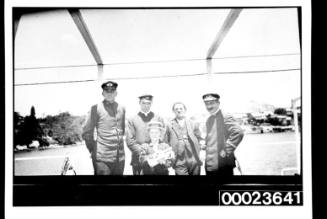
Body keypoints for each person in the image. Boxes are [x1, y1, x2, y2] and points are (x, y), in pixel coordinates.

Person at [82, 81, 126, 175]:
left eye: (112, 91)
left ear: (116, 93)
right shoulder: (95, 108)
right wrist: (93, 150)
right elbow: (87, 133)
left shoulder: (122, 108)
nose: (109, 93)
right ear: (103, 93)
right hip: (102, 160)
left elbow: (122, 130)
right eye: (107, 91)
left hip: (120, 158)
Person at [202, 93, 244, 176]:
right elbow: (211, 138)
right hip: (210, 163)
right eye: (206, 104)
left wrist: (226, 149)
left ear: (218, 103)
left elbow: (238, 132)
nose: (209, 106)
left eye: (211, 103)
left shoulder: (225, 116)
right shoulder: (209, 119)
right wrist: (205, 144)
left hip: (223, 162)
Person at [126, 94, 166, 175]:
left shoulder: (158, 118)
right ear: (139, 103)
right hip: (138, 158)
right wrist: (143, 152)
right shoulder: (132, 119)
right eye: (143, 103)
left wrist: (157, 153)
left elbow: (163, 137)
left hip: (158, 158)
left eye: (148, 103)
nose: (146, 105)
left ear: (151, 104)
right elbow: (130, 141)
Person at [167, 102, 204, 175]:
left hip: (194, 158)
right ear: (173, 111)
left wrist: (202, 151)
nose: (179, 110)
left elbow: (200, 139)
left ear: (185, 110)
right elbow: (166, 141)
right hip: (179, 160)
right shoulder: (169, 125)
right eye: (176, 109)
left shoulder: (193, 123)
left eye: (181, 108)